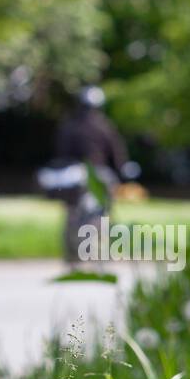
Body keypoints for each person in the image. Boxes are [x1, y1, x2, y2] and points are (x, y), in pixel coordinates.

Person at [51, 86, 129, 262]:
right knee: (105, 210)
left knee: (71, 211)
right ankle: (103, 248)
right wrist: (122, 170)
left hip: (75, 174)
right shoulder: (105, 126)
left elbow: (61, 153)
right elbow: (118, 155)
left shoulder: (69, 126)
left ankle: (72, 253)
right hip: (99, 174)